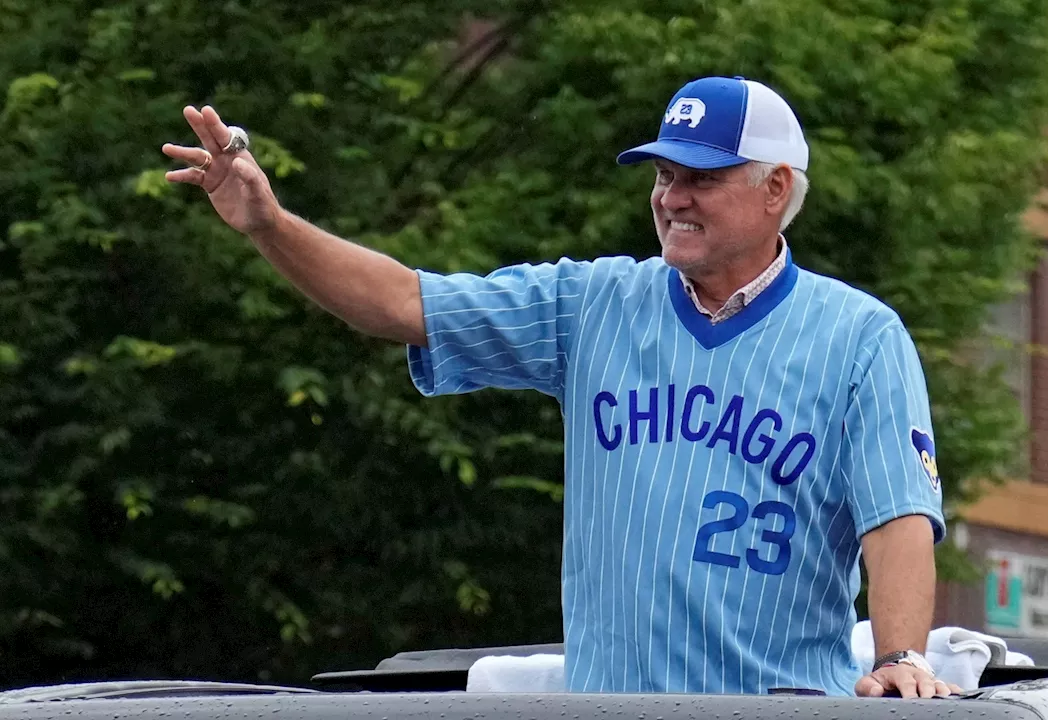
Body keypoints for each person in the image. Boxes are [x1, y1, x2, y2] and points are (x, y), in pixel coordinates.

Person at [162, 75, 957, 699]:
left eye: (701, 179)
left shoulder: (860, 335)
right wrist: (270, 223)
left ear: (777, 188)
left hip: (777, 708)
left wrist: (897, 656)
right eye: (663, 175)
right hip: (610, 708)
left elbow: (897, 518)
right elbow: (405, 302)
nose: (671, 196)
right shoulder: (592, 303)